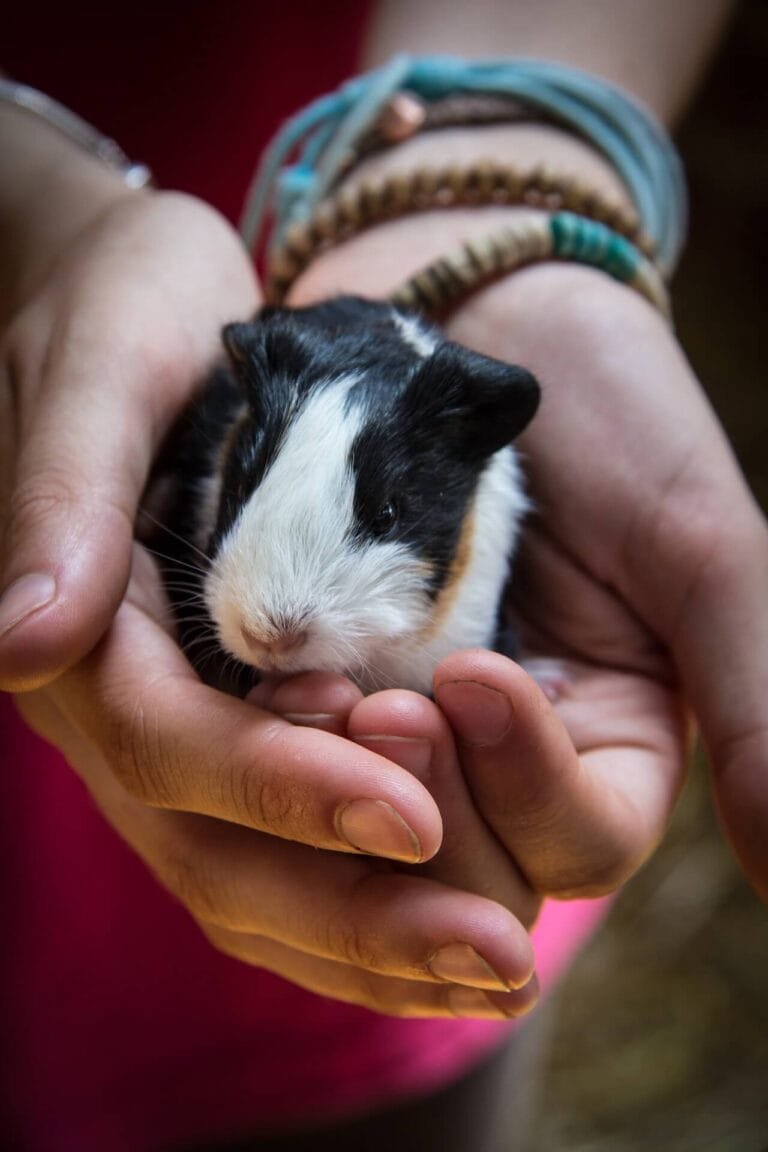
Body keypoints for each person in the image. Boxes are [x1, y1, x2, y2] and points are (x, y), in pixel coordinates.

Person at [1, 1, 766, 1149]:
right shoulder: (237, 390)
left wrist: (503, 168)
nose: (273, 620)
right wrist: (30, 218)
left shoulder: (480, 460)